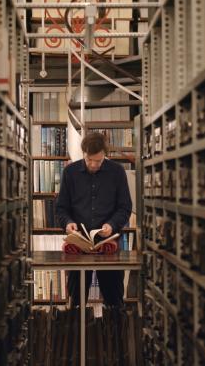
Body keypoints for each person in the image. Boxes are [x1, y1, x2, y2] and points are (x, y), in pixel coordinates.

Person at [55, 131, 132, 307]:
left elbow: (125, 207)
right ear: (83, 153)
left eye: (98, 160)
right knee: (76, 301)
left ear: (105, 154)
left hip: (108, 245)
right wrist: (68, 223)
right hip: (78, 246)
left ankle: (114, 331)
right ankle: (76, 332)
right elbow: (61, 208)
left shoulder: (117, 172)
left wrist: (112, 225)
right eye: (89, 159)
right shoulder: (70, 173)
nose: (93, 164)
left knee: (114, 301)